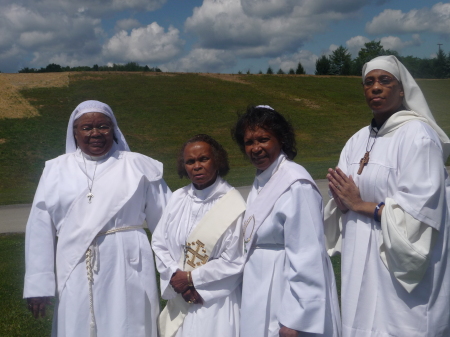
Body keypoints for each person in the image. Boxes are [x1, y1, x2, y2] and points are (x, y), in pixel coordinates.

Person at [325, 55, 450, 337]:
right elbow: (344, 202)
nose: (376, 87)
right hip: (360, 257)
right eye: (369, 82)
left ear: (402, 89)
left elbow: (420, 213)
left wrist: (359, 204)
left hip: (399, 267)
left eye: (384, 80)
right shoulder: (357, 141)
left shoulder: (418, 136)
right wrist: (342, 204)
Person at [23, 100, 171, 337]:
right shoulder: (55, 170)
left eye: (103, 126)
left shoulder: (138, 166)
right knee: (77, 322)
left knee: (129, 323)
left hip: (128, 262)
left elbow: (168, 222)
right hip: (75, 263)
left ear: (114, 129)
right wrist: (38, 285)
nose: (95, 134)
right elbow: (40, 229)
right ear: (74, 131)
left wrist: (178, 271)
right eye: (86, 127)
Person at [233, 105, 341, 337]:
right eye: (249, 142)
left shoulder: (295, 183)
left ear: (281, 139)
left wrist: (297, 319)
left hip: (283, 289)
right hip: (259, 285)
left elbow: (307, 254)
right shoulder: (263, 179)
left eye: (263, 139)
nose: (256, 148)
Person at [152, 134, 246, 337]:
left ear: (218, 160)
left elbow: (234, 259)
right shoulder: (177, 198)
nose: (196, 166)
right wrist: (176, 277)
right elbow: (159, 243)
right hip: (182, 297)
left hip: (215, 301)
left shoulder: (233, 204)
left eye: (203, 159)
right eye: (190, 161)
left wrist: (191, 278)